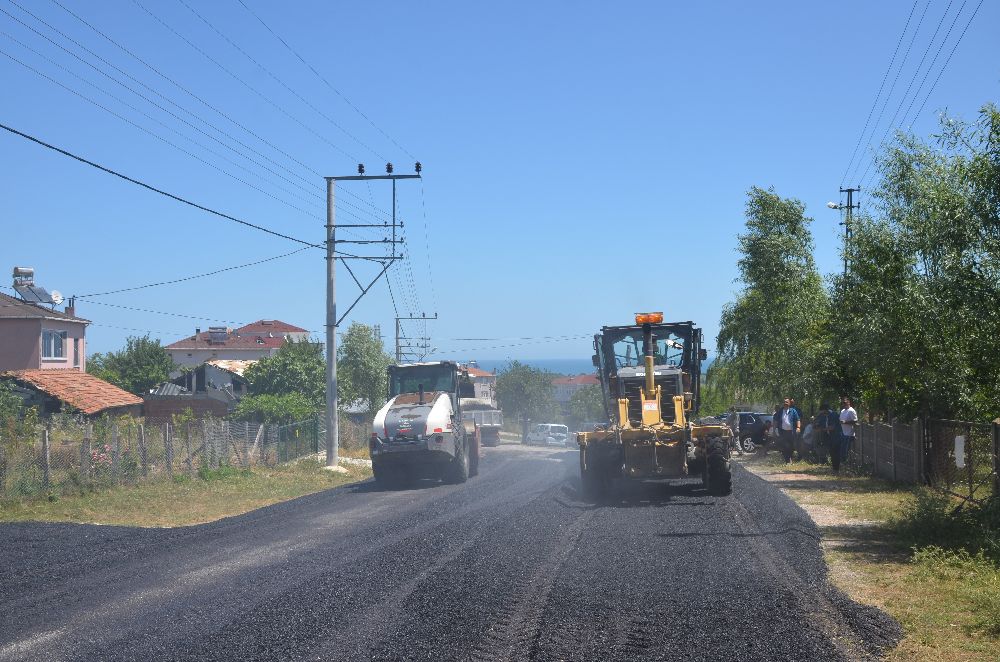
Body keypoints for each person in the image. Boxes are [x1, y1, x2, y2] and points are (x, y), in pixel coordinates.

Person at [777, 397, 800, 463]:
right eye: (784, 402)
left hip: (791, 432)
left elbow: (798, 419)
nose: (785, 403)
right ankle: (787, 460)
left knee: (791, 445)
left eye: (787, 402)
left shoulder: (793, 411)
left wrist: (798, 427)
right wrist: (774, 429)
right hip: (783, 431)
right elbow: (775, 420)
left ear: (789, 403)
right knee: (784, 445)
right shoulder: (780, 411)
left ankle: (789, 457)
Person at [838, 396, 858, 466]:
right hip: (843, 433)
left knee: (846, 450)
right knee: (842, 449)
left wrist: (845, 422)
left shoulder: (851, 411)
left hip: (849, 434)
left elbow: (855, 421)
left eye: (845, 402)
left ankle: (846, 464)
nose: (843, 404)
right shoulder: (842, 411)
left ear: (849, 402)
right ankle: (843, 463)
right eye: (842, 403)